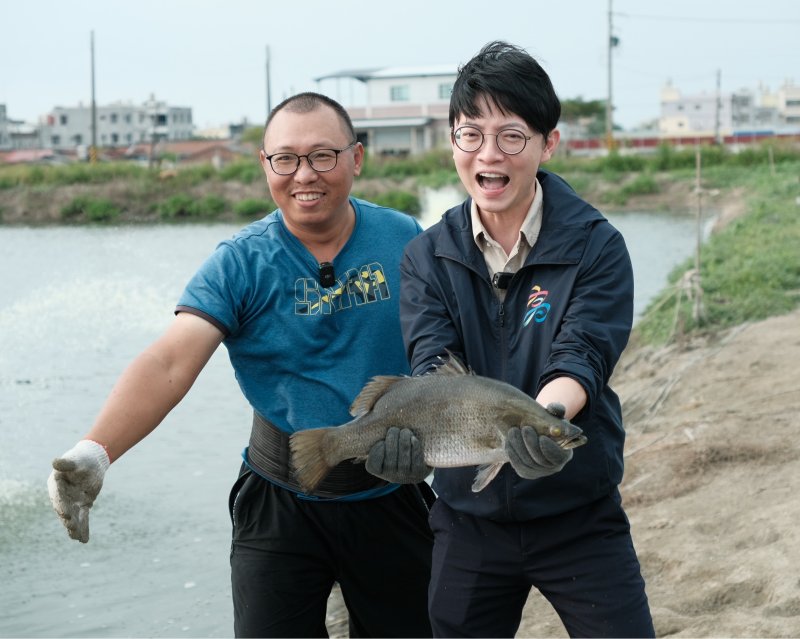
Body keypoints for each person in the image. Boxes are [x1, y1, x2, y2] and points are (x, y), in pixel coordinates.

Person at [48, 92, 435, 638]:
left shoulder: (404, 238)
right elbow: (169, 361)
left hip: (391, 492)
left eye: (323, 156)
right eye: (286, 159)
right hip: (280, 502)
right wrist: (96, 450)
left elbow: (448, 347)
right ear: (265, 164)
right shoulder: (240, 261)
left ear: (356, 158)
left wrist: (447, 444)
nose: (305, 175)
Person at [397, 42, 656, 638]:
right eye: (471, 135)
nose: (489, 154)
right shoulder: (424, 258)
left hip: (578, 514)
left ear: (547, 144)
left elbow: (583, 353)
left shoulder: (597, 245)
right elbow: (433, 364)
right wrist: (407, 445)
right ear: (454, 142)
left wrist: (548, 421)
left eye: (511, 136)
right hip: (466, 519)